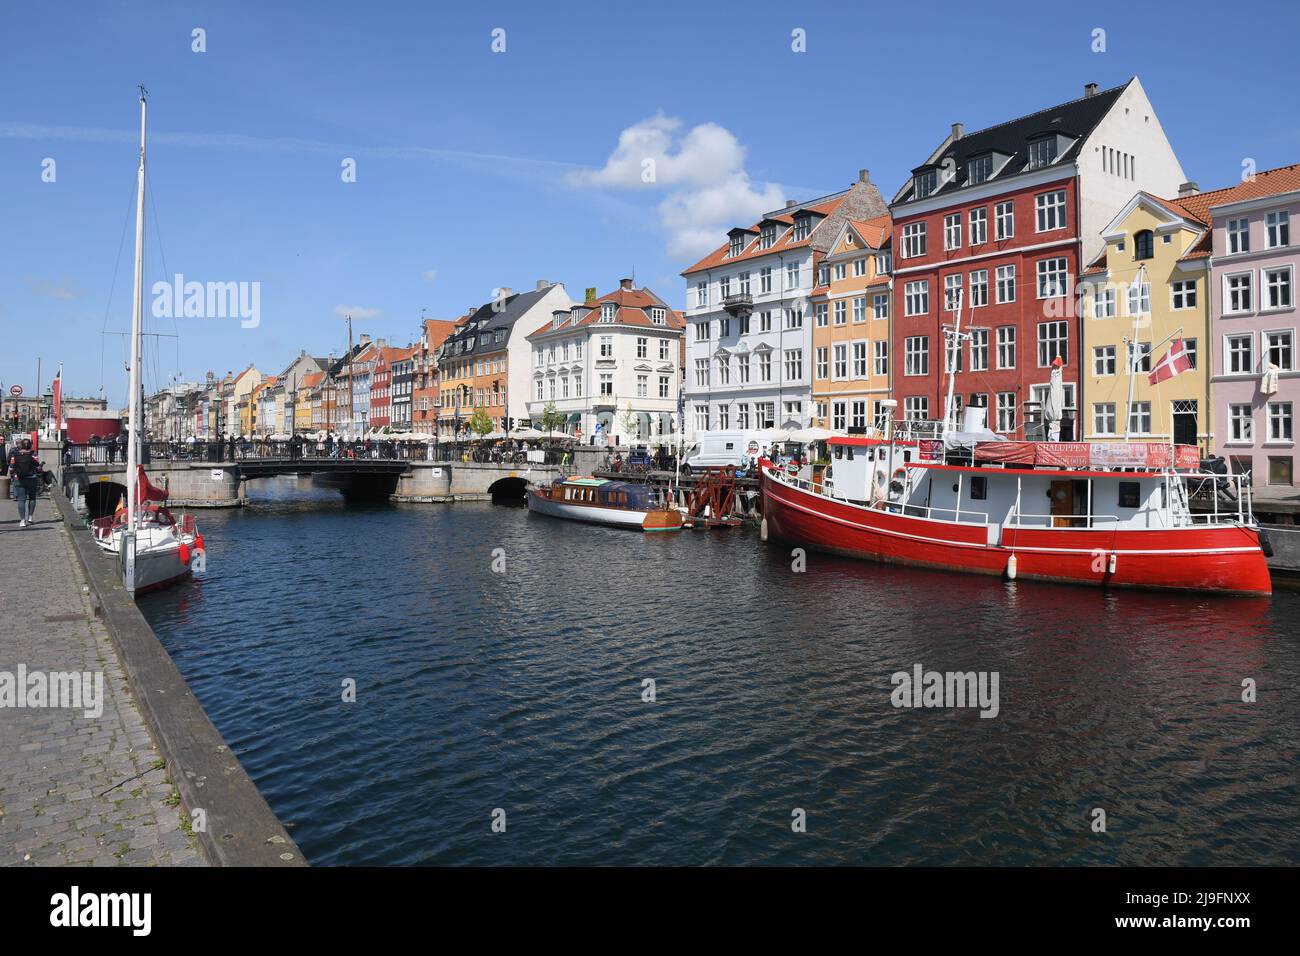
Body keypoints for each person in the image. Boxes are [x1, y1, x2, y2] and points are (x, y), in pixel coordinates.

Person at [8, 438, 42, 527]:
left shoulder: (15, 455)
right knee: (32, 498)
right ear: (30, 445)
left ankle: (22, 520)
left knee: (21, 500)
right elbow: (38, 468)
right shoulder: (33, 454)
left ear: (21, 445)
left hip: (20, 479)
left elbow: (11, 468)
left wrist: (14, 474)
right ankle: (30, 517)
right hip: (32, 478)